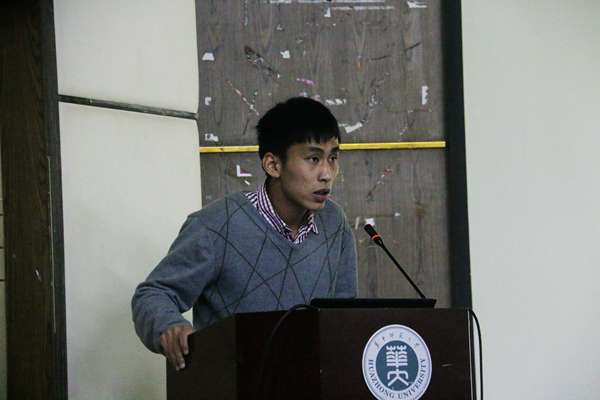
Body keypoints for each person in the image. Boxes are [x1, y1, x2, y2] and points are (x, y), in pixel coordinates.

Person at [131, 97, 358, 371]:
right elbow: (154, 294)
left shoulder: (334, 222)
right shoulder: (216, 225)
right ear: (273, 165)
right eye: (313, 159)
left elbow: (344, 313)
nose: (327, 174)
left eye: (332, 158)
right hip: (234, 381)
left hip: (311, 381)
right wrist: (169, 326)